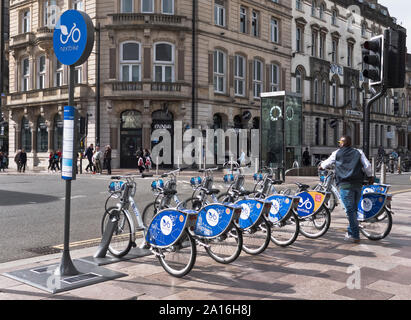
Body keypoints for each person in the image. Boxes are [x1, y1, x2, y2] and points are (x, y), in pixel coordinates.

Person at [319, 135, 374, 244]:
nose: (339, 143)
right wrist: (370, 176)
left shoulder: (337, 153)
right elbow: (367, 166)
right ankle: (350, 231)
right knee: (353, 209)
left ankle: (355, 235)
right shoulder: (359, 152)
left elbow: (326, 163)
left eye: (340, 142)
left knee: (350, 211)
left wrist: (321, 167)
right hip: (358, 184)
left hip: (345, 185)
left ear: (343, 143)